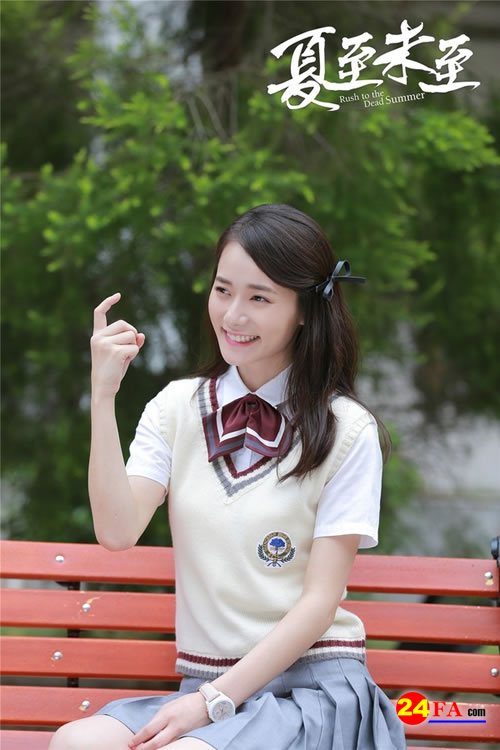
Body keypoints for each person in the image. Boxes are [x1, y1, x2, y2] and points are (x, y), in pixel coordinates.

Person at [49, 204, 407, 750]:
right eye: (223, 290)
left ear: (305, 309)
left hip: (310, 691)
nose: (233, 315)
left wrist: (213, 701)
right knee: (76, 743)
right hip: (206, 689)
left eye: (259, 298)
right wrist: (103, 396)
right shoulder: (176, 408)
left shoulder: (347, 430)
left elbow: (319, 606)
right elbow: (117, 532)